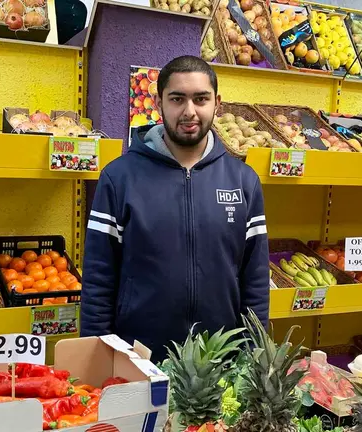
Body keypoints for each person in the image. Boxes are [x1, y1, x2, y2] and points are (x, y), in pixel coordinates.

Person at [81, 55, 270, 361]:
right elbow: (98, 279)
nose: (189, 111)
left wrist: (254, 357)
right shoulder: (119, 178)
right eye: (177, 99)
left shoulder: (243, 181)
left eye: (201, 99)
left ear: (217, 104)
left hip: (221, 362)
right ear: (159, 103)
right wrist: (97, 358)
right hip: (139, 359)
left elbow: (255, 280)